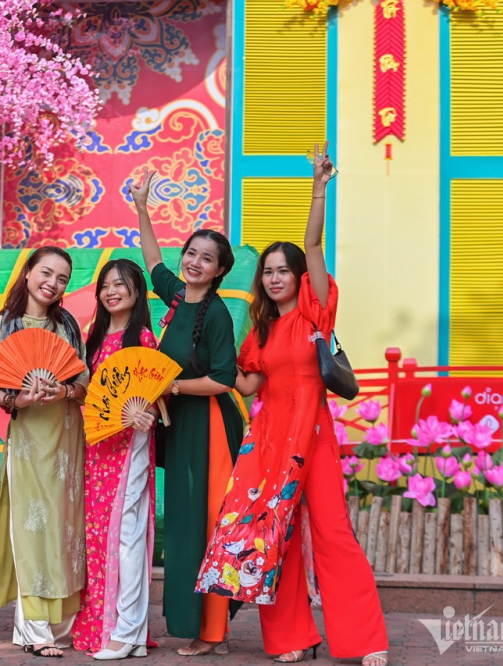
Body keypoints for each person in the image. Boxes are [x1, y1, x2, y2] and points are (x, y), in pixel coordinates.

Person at [196, 142, 388, 665]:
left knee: (333, 535)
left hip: (312, 437)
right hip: (266, 444)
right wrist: (202, 351)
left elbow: (314, 244)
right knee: (271, 539)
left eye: (284, 269)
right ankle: (292, 640)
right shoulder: (260, 330)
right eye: (268, 271)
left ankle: (364, 640)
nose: (274, 277)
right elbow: (249, 385)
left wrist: (318, 188)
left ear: (300, 276)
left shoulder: (313, 312)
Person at [128, 170, 244, 655]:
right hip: (181, 428)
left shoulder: (215, 313)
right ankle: (194, 621)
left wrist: (170, 384)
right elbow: (152, 261)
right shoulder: (176, 295)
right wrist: (141, 206)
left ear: (220, 270)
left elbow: (223, 377)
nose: (195, 262)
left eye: (207, 259)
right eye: (192, 254)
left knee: (206, 524)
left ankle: (211, 630)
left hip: (211, 427)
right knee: (180, 526)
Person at [0, 247, 89, 658]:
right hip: (27, 439)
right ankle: (34, 628)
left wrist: (61, 389)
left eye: (62, 278)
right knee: (32, 526)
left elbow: (82, 384)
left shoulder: (68, 326)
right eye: (46, 272)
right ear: (28, 273)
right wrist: (20, 399)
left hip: (66, 436)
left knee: (65, 527)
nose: (53, 283)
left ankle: (62, 625)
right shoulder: (1, 326)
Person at [72, 259, 158, 660]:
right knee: (102, 536)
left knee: (127, 536)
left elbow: (154, 393)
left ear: (137, 292)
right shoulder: (94, 336)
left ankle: (126, 631)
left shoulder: (140, 338)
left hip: (129, 449)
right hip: (97, 448)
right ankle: (122, 630)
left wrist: (147, 413)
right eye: (105, 285)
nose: (111, 291)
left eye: (120, 284)